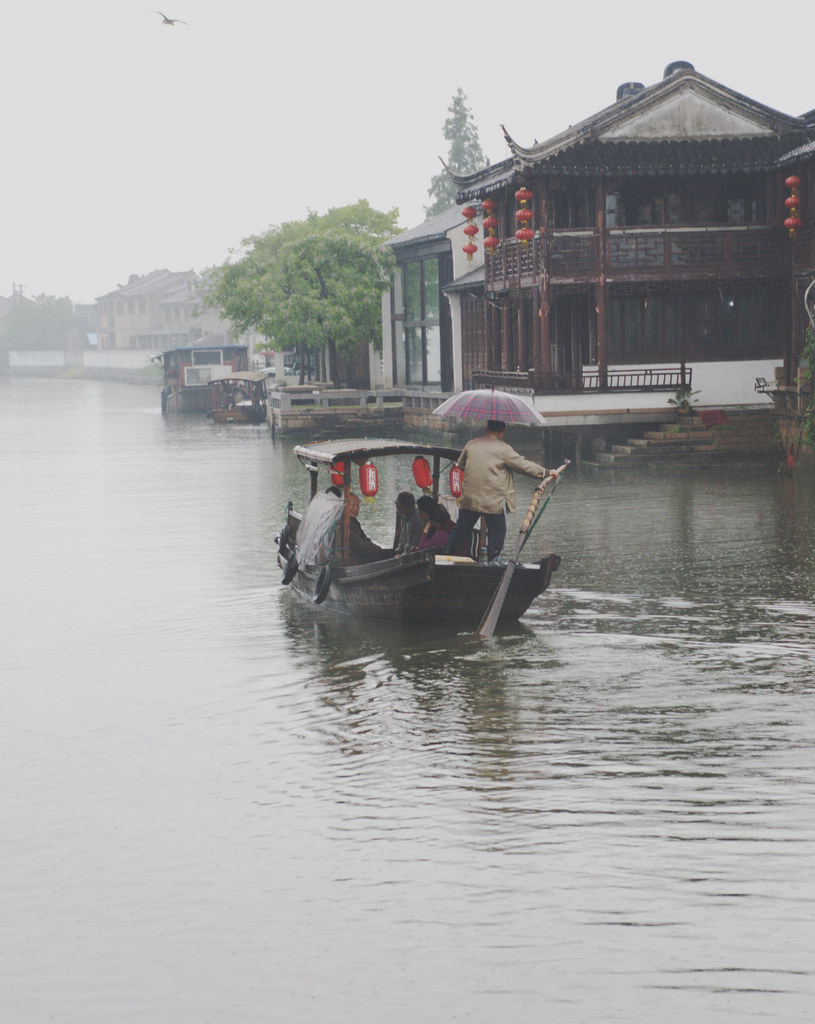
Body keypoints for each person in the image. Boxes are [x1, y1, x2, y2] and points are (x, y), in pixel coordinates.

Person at [443, 420, 559, 561]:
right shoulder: (504, 449)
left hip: (469, 498)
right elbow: (524, 465)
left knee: (461, 528)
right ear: (503, 431)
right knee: (498, 533)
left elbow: (460, 465)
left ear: (487, 428)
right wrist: (547, 472)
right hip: (491, 501)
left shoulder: (471, 444)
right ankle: (493, 559)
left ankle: (445, 555)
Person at [344, 493, 391, 564]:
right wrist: (378, 549)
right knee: (389, 553)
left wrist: (376, 547)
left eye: (357, 506)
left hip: (360, 554)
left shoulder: (354, 521)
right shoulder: (346, 523)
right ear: (345, 506)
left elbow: (365, 538)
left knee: (389, 552)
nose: (356, 508)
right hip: (354, 560)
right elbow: (361, 547)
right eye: (353, 505)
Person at [393, 491, 423, 555]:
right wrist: (398, 552)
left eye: (399, 507)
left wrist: (400, 557)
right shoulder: (404, 515)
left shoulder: (416, 521)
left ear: (408, 507)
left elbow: (412, 546)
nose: (398, 510)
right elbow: (402, 538)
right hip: (403, 553)